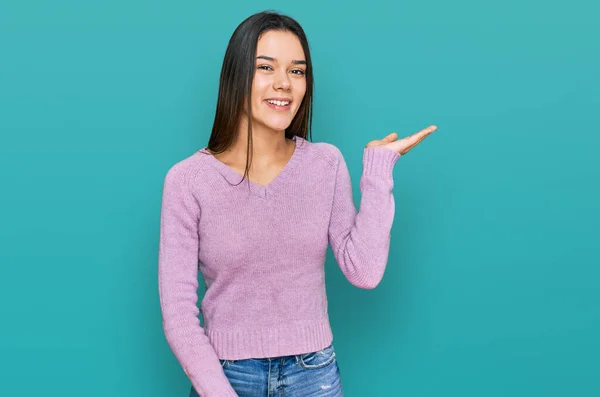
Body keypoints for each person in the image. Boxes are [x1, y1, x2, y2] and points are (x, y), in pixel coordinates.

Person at [158, 10, 436, 397]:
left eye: (297, 71)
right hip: (226, 377)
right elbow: (179, 317)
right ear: (237, 75)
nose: (283, 84)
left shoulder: (325, 164)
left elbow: (364, 271)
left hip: (313, 374)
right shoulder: (188, 181)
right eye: (266, 67)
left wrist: (377, 172)